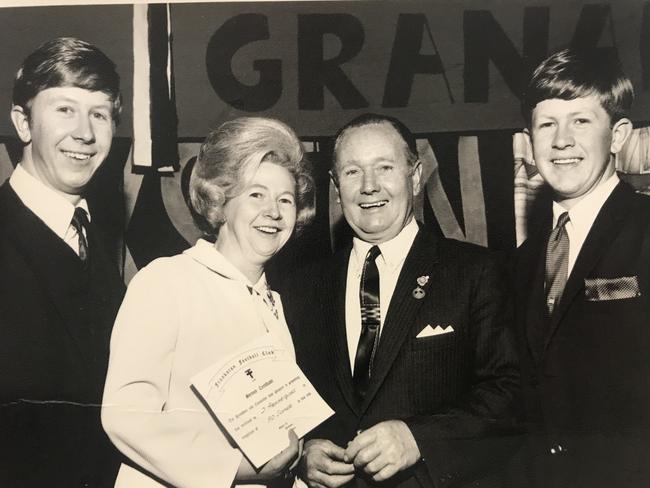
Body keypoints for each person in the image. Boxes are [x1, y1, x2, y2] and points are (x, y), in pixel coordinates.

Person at [279, 113, 520, 488]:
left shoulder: (475, 272)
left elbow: (511, 392)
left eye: (384, 168)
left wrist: (419, 437)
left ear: (415, 175)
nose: (369, 187)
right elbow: (286, 400)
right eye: (353, 172)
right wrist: (302, 452)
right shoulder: (301, 286)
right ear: (335, 186)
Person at [101, 117, 315, 487]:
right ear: (221, 199)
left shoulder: (274, 304)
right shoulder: (166, 281)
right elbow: (126, 414)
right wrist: (234, 469)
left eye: (285, 199)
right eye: (256, 194)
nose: (274, 212)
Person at [514, 48, 650, 487]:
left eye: (581, 121)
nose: (561, 140)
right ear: (529, 141)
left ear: (618, 134)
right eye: (547, 123)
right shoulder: (520, 261)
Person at [0, 37, 125, 487]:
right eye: (65, 109)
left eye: (100, 113)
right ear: (23, 122)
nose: (86, 133)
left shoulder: (97, 238)